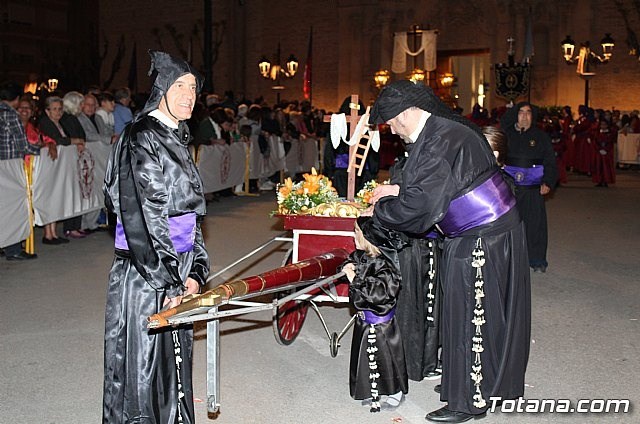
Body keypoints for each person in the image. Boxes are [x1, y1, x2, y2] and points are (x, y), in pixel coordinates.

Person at [366, 80, 530, 423]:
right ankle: (480, 388)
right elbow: (442, 182)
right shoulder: (440, 132)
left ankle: (469, 402)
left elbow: (419, 207)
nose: (393, 129)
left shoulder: (438, 140)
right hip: (486, 231)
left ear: (410, 111)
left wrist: (377, 214)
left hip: (481, 236)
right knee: (468, 314)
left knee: (472, 316)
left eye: (393, 121)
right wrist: (397, 188)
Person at [102, 50, 210, 424]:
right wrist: (167, 278)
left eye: (194, 87)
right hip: (146, 272)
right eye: (179, 86)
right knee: (144, 367)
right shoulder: (140, 137)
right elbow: (141, 215)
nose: (188, 94)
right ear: (161, 89)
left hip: (177, 266)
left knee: (174, 360)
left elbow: (191, 216)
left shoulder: (175, 135)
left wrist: (196, 269)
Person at [341, 217, 409, 412]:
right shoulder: (362, 256)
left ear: (368, 237)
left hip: (381, 325)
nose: (353, 236)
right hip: (363, 321)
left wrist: (354, 278)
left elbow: (379, 294)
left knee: (386, 359)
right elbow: (348, 261)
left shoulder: (386, 266)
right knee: (364, 358)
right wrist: (348, 266)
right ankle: (371, 389)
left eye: (356, 232)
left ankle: (395, 391)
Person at [502, 102, 557, 273]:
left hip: (533, 188)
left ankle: (536, 258)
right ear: (515, 115)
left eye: (528, 113)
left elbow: (550, 160)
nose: (525, 116)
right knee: (508, 225)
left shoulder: (540, 137)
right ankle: (508, 259)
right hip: (509, 188)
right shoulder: (506, 135)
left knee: (535, 224)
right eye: (521, 112)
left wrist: (548, 182)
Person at [0, 82, 40, 260]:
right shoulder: (11, 116)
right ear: (16, 100)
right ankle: (13, 249)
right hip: (10, 166)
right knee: (13, 208)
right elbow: (22, 144)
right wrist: (39, 150)